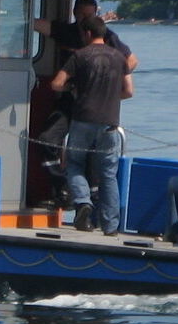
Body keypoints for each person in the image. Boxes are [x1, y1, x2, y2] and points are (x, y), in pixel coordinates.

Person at [48, 16, 133, 234]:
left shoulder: (80, 55)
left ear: (86, 34)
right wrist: (111, 98)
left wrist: (74, 90)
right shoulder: (119, 57)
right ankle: (111, 226)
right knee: (108, 174)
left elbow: (57, 84)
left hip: (83, 119)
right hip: (110, 123)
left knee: (74, 165)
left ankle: (84, 202)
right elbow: (129, 91)